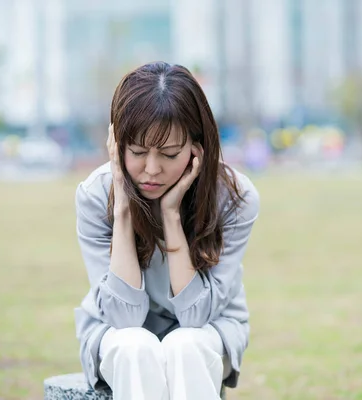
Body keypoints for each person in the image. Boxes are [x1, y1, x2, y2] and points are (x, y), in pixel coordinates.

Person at [73, 61, 260, 400]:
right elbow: (123, 318)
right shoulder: (96, 194)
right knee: (134, 346)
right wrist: (124, 208)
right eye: (138, 152)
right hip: (115, 335)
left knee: (185, 345)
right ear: (116, 145)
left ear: (197, 147)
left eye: (170, 154)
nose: (152, 170)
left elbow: (196, 316)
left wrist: (172, 218)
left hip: (210, 329)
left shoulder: (234, 197)